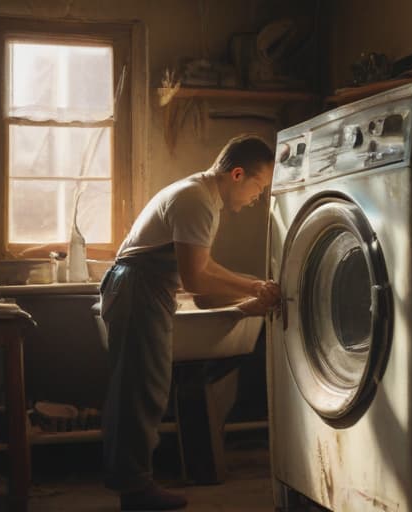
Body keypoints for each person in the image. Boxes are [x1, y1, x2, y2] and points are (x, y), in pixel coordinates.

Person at [99, 134, 281, 511]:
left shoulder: (202, 195)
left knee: (144, 389)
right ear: (237, 174)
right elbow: (196, 279)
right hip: (138, 289)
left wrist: (252, 288)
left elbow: (203, 267)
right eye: (259, 187)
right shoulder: (197, 200)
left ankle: (134, 486)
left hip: (142, 289)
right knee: (139, 392)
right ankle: (135, 491)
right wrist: (253, 288)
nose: (257, 198)